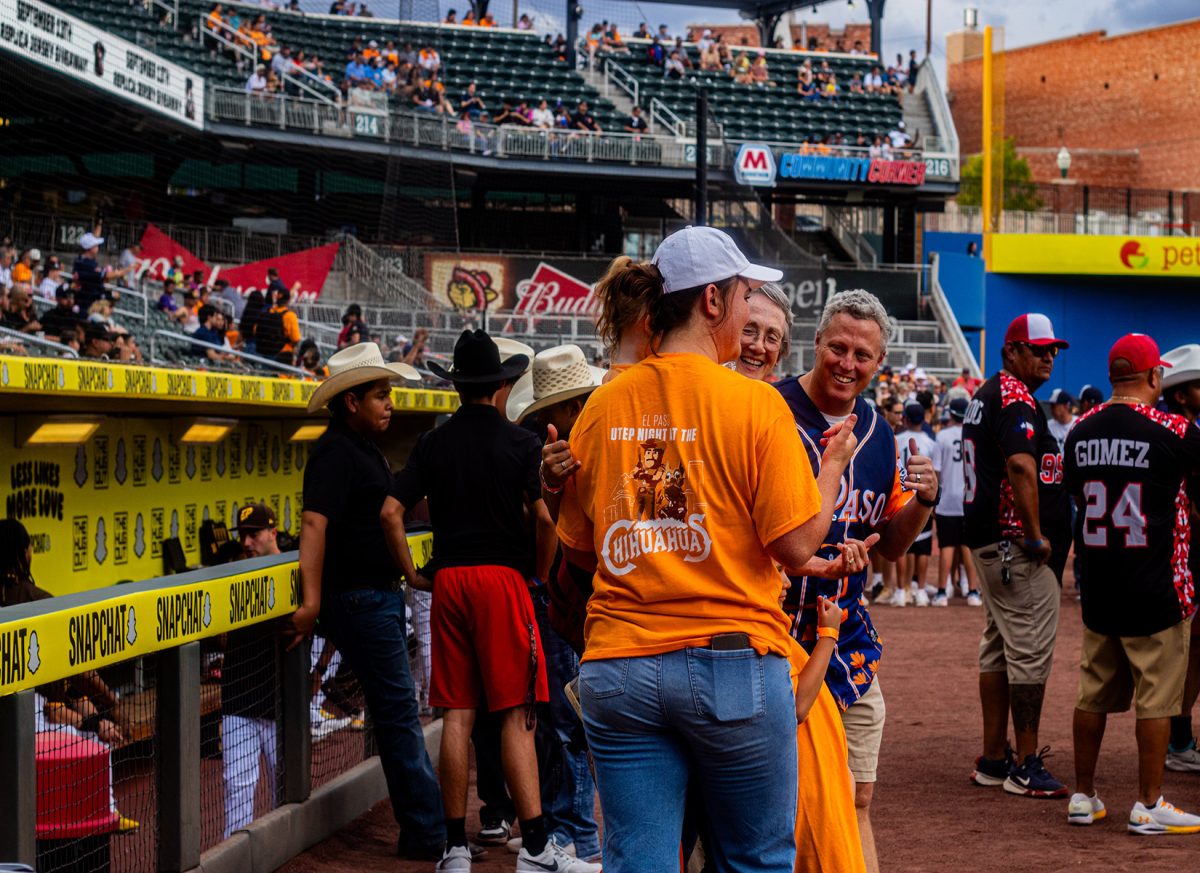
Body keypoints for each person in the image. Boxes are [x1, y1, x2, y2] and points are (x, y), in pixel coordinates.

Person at [555, 227, 858, 872]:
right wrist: (831, 466)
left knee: (637, 860)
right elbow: (799, 546)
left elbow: (580, 552)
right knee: (754, 858)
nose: (752, 308)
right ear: (713, 303)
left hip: (619, 664)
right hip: (731, 663)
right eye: (747, 293)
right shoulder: (755, 405)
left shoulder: (603, 405)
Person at [381, 332, 590, 873]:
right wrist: (538, 574)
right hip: (502, 582)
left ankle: (454, 848)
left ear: (457, 386)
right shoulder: (520, 445)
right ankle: (540, 848)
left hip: (448, 581)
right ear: (502, 384)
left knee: (457, 714)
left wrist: (413, 576)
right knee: (518, 714)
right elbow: (544, 518)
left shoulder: (432, 443)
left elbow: (389, 513)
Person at [776, 289, 939, 873]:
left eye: (863, 355)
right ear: (816, 343)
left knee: (857, 795)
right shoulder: (767, 410)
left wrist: (924, 501)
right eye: (838, 348)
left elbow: (892, 546)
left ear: (879, 362)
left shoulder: (877, 432)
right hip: (769, 638)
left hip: (844, 636)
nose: (848, 363)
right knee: (768, 804)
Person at [285, 343, 443, 860]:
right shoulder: (334, 451)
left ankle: (426, 828)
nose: (389, 403)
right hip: (358, 600)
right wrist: (310, 602)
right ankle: (428, 833)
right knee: (399, 716)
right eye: (380, 395)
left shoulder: (358, 447)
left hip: (373, 597)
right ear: (351, 401)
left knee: (395, 715)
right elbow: (314, 525)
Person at [1064, 333, 1200, 834]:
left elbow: (1077, 494)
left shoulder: (1079, 431)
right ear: (1153, 377)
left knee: (1092, 694)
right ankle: (1148, 803)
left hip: (1099, 582)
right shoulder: (1175, 430)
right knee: (1159, 699)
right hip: (1156, 584)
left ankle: (1084, 795)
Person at [964, 313, 1073, 798]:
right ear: (1012, 352)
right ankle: (1026, 763)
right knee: (1028, 653)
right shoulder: (1013, 396)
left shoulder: (989, 394)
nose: (1048, 356)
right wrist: (1033, 535)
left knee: (998, 647)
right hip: (1014, 549)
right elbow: (1021, 466)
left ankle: (993, 757)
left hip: (992, 546)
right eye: (1038, 348)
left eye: (1053, 349)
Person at [506, 345, 606, 864]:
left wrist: (548, 584)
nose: (546, 421)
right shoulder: (580, 441)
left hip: (583, 602)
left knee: (571, 724)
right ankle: (577, 836)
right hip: (587, 600)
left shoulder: (583, 441)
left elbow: (555, 523)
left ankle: (579, 838)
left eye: (551, 410)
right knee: (573, 723)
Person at [221, 504, 283, 838]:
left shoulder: (296, 569)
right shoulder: (232, 576)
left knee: (284, 792)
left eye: (254, 534)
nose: (246, 542)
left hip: (279, 702)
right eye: (242, 534)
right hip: (239, 700)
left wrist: (316, 679)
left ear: (273, 533)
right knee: (237, 787)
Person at [1161, 343, 1200, 773]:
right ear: (1182, 394)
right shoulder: (1180, 435)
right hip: (1185, 560)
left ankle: (1181, 736)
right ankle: (1179, 738)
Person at [931, 396, 982, 606]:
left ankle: (943, 592)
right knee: (967, 547)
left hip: (947, 499)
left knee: (947, 547)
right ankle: (972, 591)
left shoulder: (942, 436)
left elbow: (936, 472)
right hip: (969, 498)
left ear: (951, 414)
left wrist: (934, 500)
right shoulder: (976, 435)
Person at [894, 402, 937, 607]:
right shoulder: (930, 441)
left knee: (902, 547)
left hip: (901, 497)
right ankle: (920, 591)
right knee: (923, 548)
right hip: (922, 497)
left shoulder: (896, 439)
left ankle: (901, 590)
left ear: (906, 419)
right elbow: (935, 475)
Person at [732, 280, 790, 380]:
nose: (758, 347)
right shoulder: (698, 390)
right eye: (748, 330)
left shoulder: (779, 396)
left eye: (772, 338)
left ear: (779, 355)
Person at [1047, 388, 1077, 454]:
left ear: (1066, 406)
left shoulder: (1078, 423)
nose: (1051, 409)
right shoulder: (1047, 426)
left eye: (1053, 406)